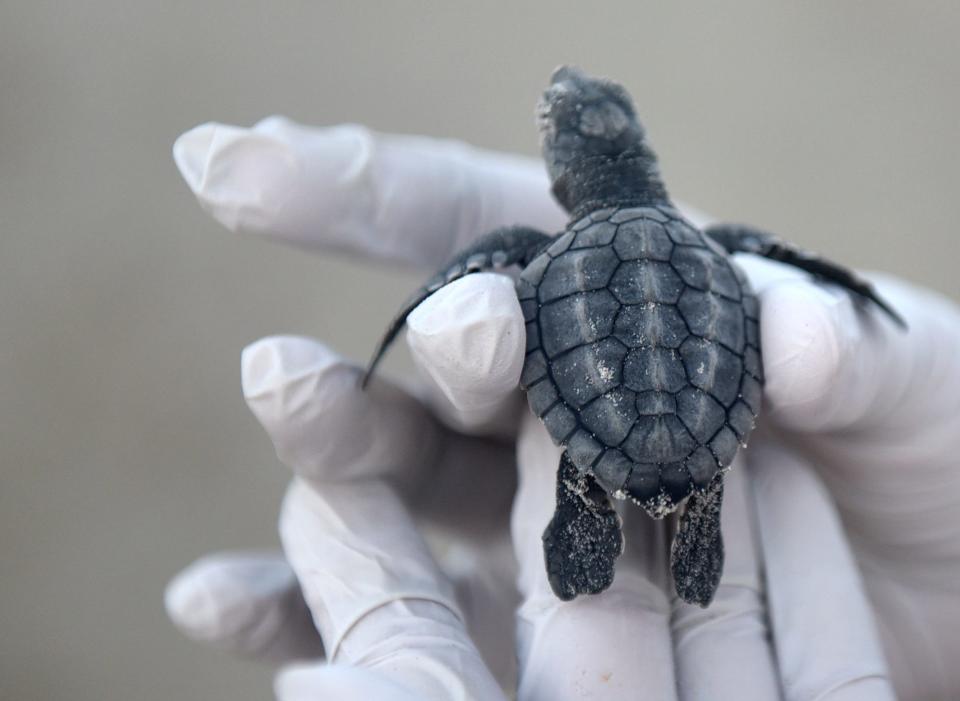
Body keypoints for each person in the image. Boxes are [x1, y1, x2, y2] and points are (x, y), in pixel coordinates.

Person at [164, 117, 960, 701]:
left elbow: (470, 273)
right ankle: (693, 517)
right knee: (691, 475)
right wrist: (847, 288)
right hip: (707, 434)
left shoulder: (536, 245)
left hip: (603, 416)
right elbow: (779, 258)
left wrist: (408, 318)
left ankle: (594, 508)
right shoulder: (720, 248)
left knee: (541, 411)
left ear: (565, 173)